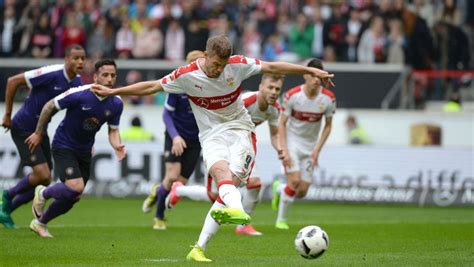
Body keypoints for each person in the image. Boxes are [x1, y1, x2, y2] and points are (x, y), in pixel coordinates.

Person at [91, 35, 333, 262]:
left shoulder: (236, 65)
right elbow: (152, 86)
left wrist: (309, 69)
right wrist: (115, 91)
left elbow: (273, 67)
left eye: (223, 64)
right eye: (216, 64)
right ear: (205, 56)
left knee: (229, 188)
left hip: (240, 130)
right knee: (221, 177)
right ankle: (231, 216)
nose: (219, 69)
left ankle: (202, 244)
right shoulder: (186, 75)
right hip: (210, 135)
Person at [166, 73, 285, 237]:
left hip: (242, 146)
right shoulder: (246, 101)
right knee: (213, 195)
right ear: (261, 87)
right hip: (222, 144)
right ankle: (179, 190)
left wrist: (280, 149)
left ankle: (243, 226)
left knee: (255, 183)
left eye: (277, 89)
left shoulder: (275, 109)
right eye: (270, 87)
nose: (273, 92)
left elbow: (275, 135)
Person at [25, 59, 125, 238]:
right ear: (95, 77)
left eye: (113, 75)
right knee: (75, 187)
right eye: (105, 75)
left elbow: (113, 131)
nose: (110, 79)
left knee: (74, 196)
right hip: (64, 145)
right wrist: (39, 132)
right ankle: (43, 192)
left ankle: (40, 223)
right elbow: (49, 106)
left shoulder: (116, 103)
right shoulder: (79, 94)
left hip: (84, 151)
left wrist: (117, 144)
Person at [0, 44, 85, 228]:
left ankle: (6, 211)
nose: (80, 62)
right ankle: (7, 195)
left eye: (82, 58)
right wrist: (7, 114)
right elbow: (12, 81)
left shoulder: (78, 84)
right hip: (23, 126)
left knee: (45, 180)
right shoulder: (51, 73)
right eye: (76, 58)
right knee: (42, 174)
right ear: (66, 59)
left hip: (41, 131)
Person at [141, 50, 204, 230]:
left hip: (195, 141)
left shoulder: (207, 87)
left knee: (180, 186)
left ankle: (156, 191)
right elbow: (167, 115)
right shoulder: (179, 85)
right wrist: (175, 136)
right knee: (172, 176)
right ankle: (159, 218)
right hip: (175, 136)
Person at [273, 58, 336, 230]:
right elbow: (282, 123)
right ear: (305, 76)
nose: (316, 79)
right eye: (312, 75)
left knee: (301, 191)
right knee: (294, 182)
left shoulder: (328, 99)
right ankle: (281, 220)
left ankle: (279, 189)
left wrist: (317, 150)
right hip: (292, 143)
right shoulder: (292, 95)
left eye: (318, 76)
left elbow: (328, 126)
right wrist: (284, 149)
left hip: (310, 147)